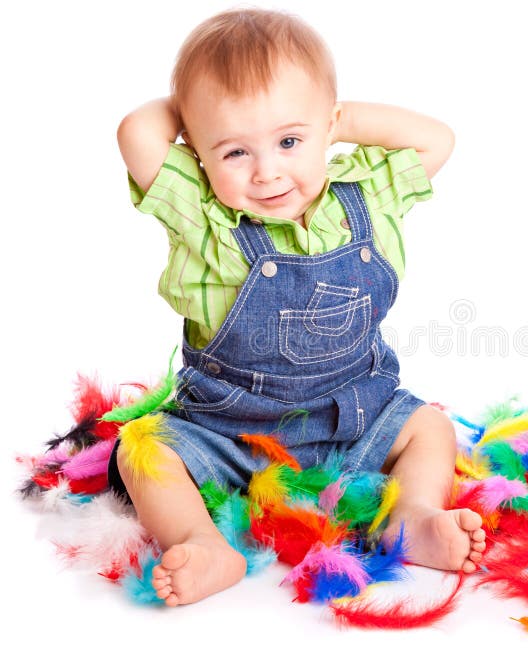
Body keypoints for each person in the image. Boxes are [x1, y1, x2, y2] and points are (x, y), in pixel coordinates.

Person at [112, 7, 485, 607]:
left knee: (429, 425)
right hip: (228, 439)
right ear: (198, 153)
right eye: (234, 152)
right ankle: (202, 542)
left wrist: (329, 117)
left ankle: (410, 515)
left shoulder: (363, 197)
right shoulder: (207, 220)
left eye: (290, 140)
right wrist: (196, 106)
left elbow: (437, 138)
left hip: (357, 422)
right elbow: (136, 132)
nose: (267, 171)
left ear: (329, 127)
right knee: (141, 448)